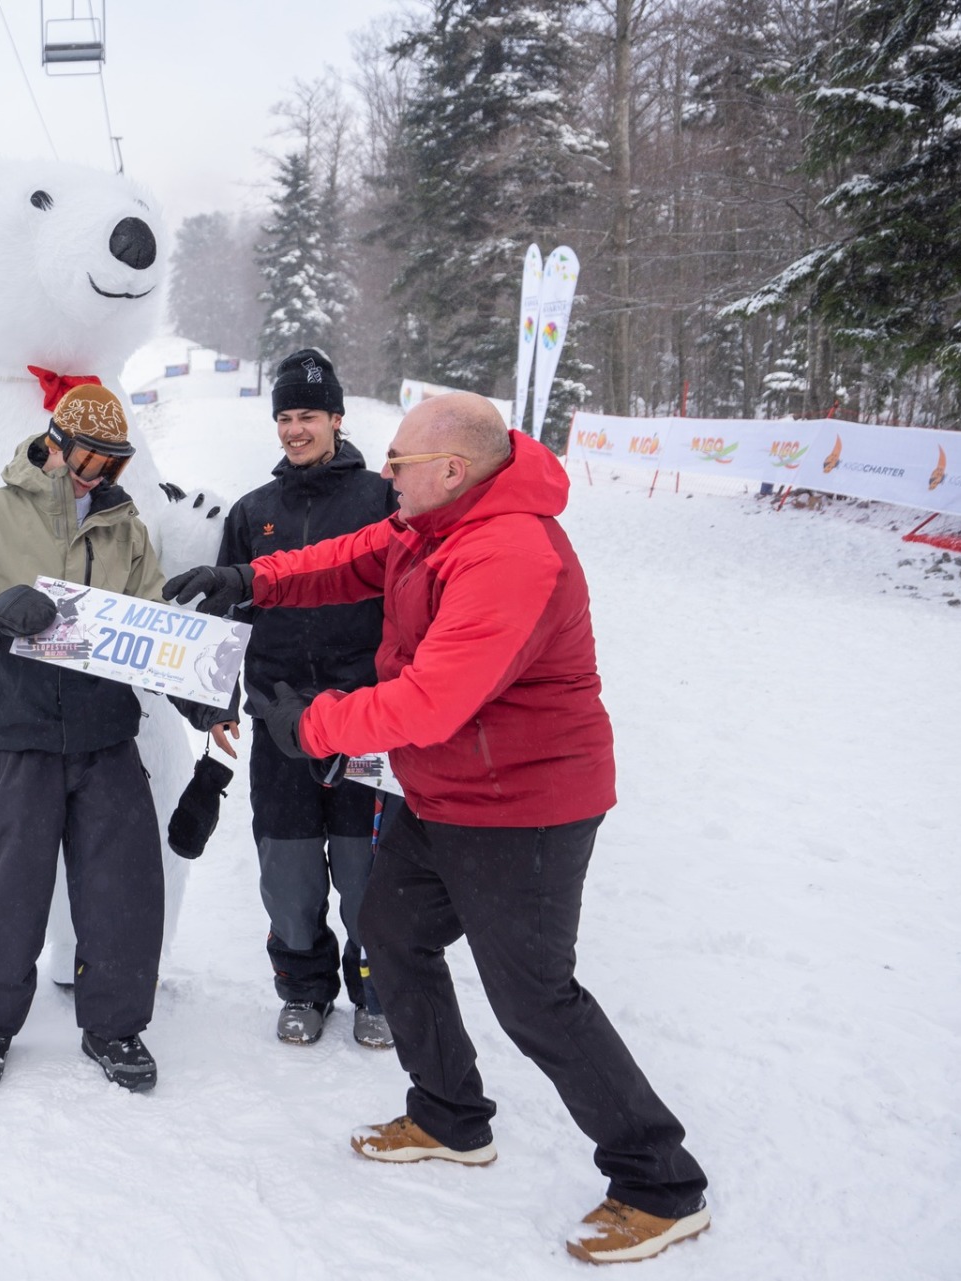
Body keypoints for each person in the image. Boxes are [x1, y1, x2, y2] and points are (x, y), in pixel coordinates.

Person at [164, 392, 710, 1265]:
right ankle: (450, 1114)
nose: (384, 474)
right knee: (392, 929)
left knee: (535, 996)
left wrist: (311, 725)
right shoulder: (434, 521)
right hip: (449, 789)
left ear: (452, 470)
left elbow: (429, 700)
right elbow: (350, 556)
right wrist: (253, 579)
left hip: (524, 805)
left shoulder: (510, 552)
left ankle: (659, 1181)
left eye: (399, 463)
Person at [0, 382, 168, 1094]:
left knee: (123, 887)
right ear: (53, 445)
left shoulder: (126, 530)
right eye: (89, 459)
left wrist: (199, 686)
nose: (98, 476)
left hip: (105, 732)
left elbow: (153, 622)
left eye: (114, 464)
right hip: (22, 730)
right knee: (10, 888)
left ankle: (114, 1026)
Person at [188, 348, 399, 1050]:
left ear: (337, 418)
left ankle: (377, 989)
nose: (294, 429)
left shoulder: (380, 501)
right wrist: (216, 701)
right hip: (279, 721)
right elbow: (227, 614)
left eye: (308, 414)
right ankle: (304, 987)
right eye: (284, 417)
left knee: (368, 870)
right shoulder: (254, 512)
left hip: (366, 720)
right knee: (289, 870)